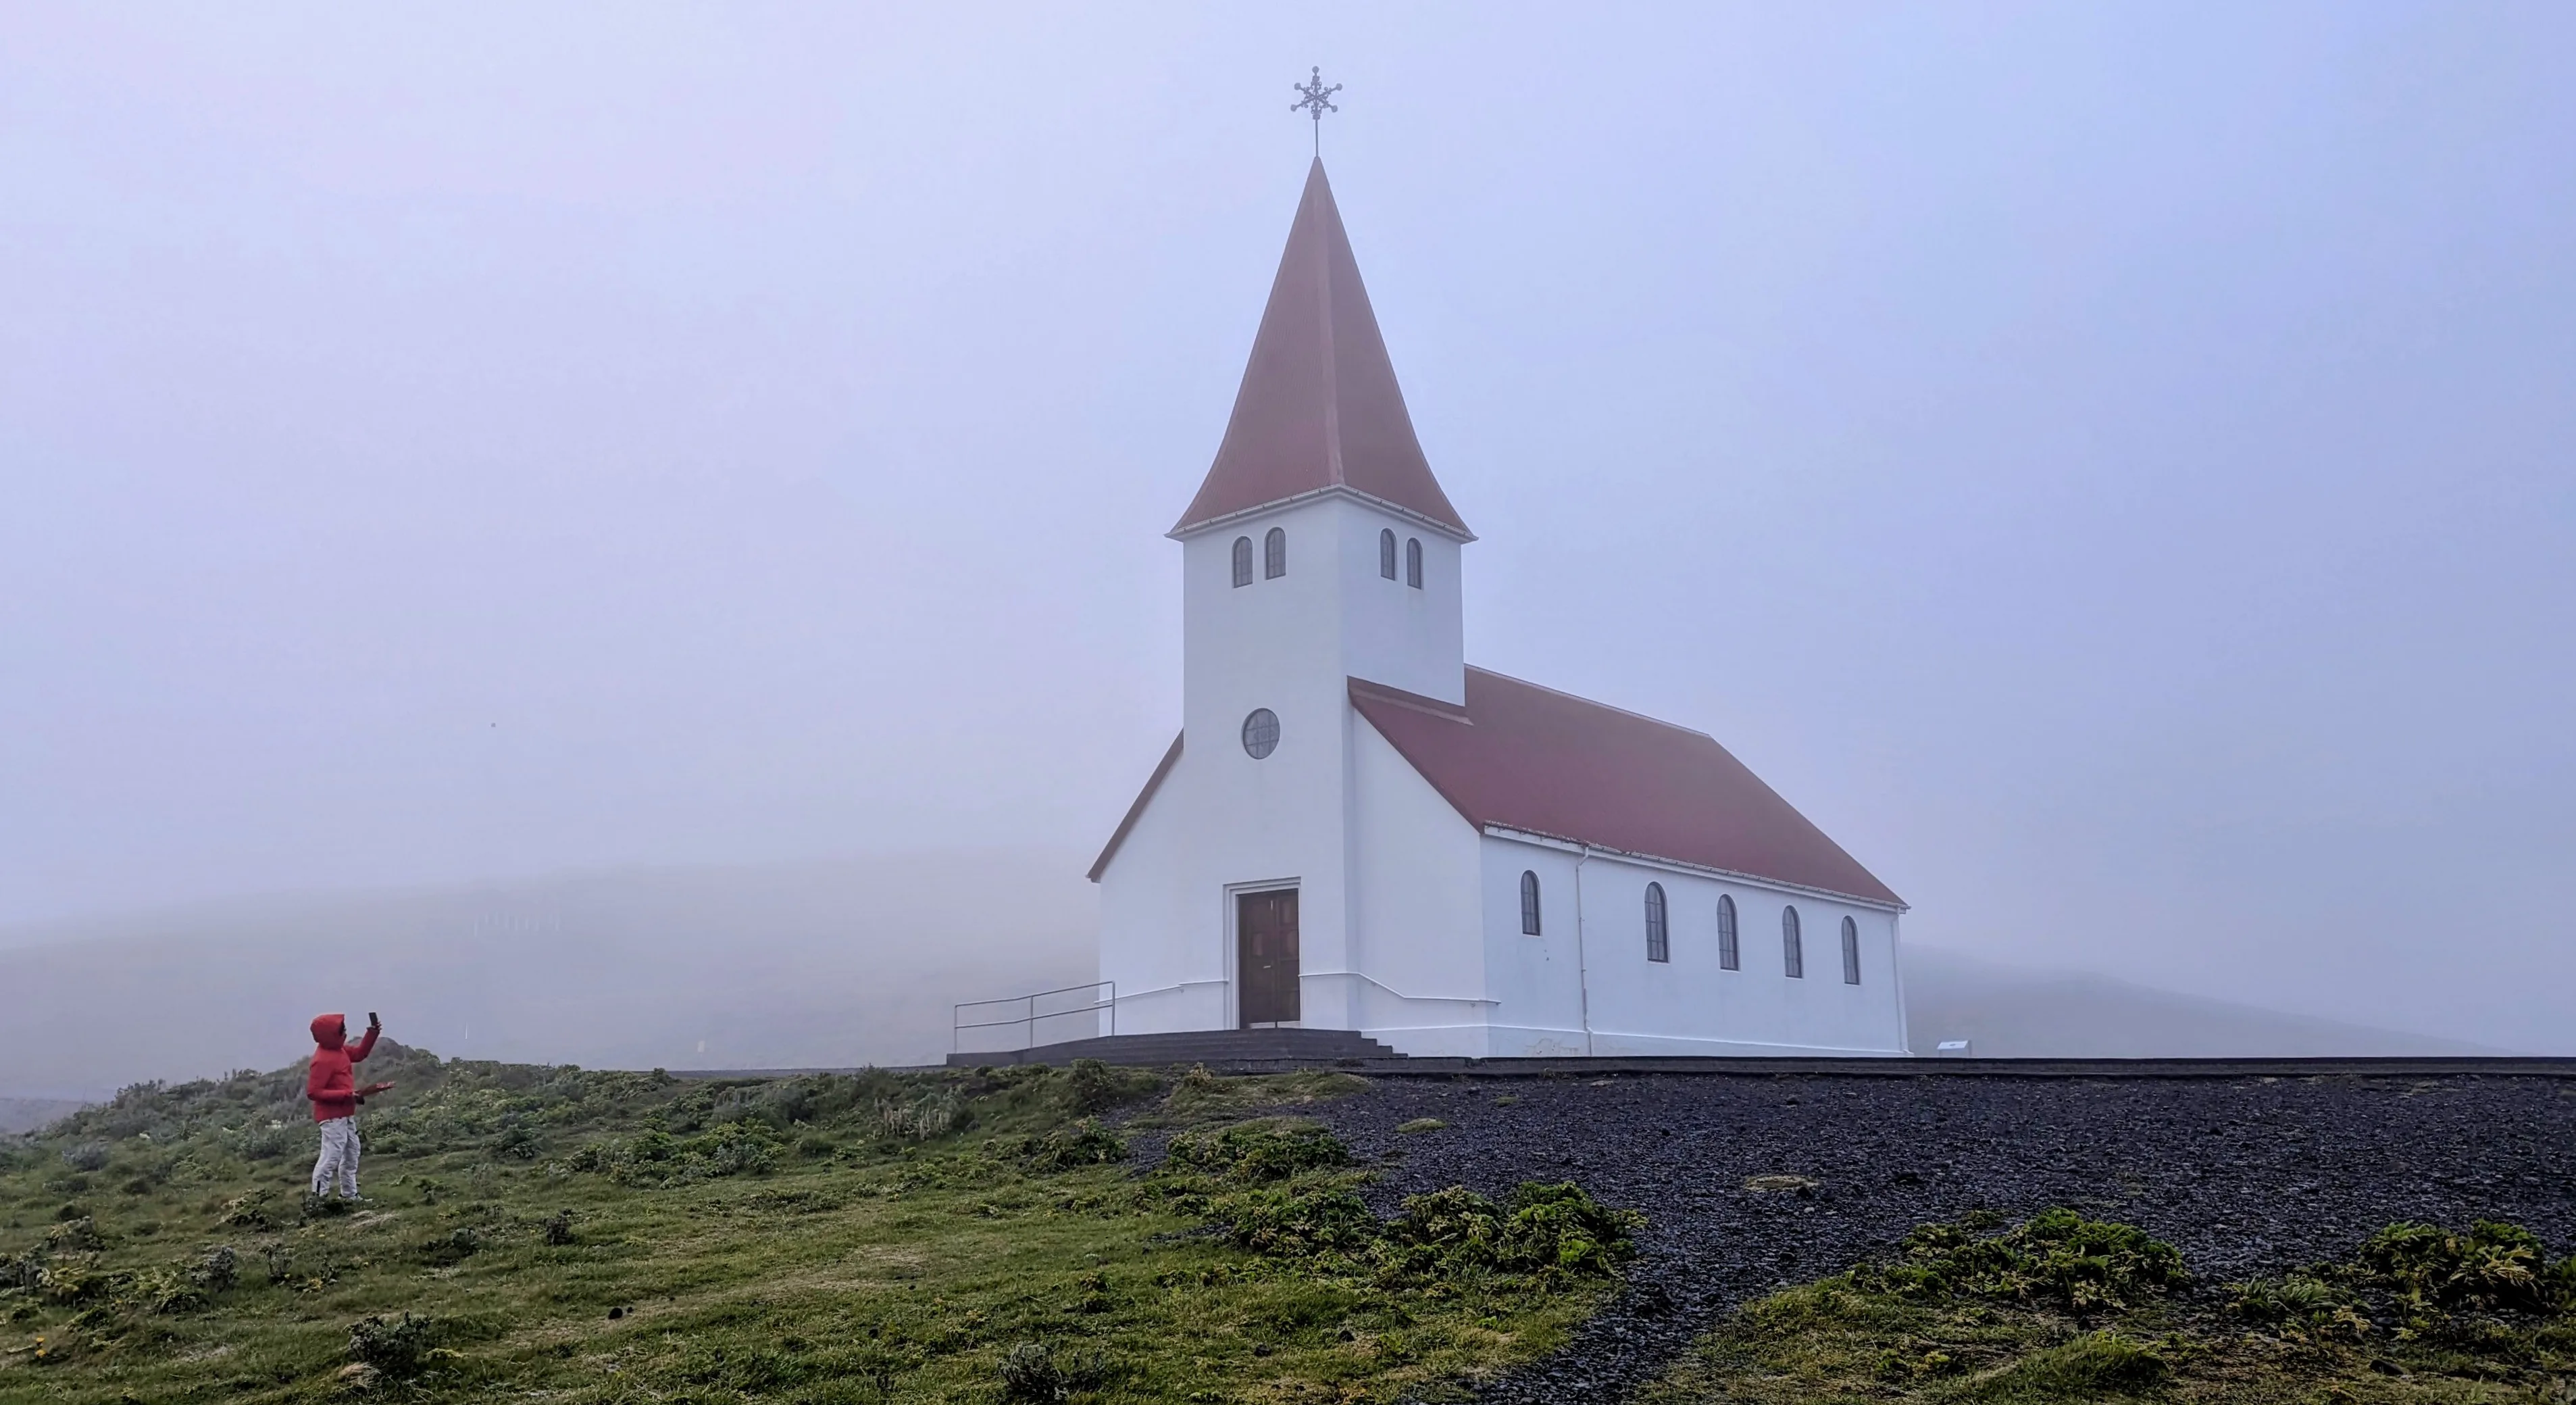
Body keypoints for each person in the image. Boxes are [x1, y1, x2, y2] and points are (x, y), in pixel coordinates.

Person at [307, 1011, 393, 1200]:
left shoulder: (339, 1050)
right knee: (331, 1156)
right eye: (341, 1029)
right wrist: (348, 1094)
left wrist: (372, 1033)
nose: (345, 1031)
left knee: (352, 1153)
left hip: (345, 1113)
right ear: (331, 1034)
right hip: (331, 1117)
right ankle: (317, 1201)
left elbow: (360, 1053)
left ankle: (349, 1196)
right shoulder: (321, 1061)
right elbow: (314, 1092)